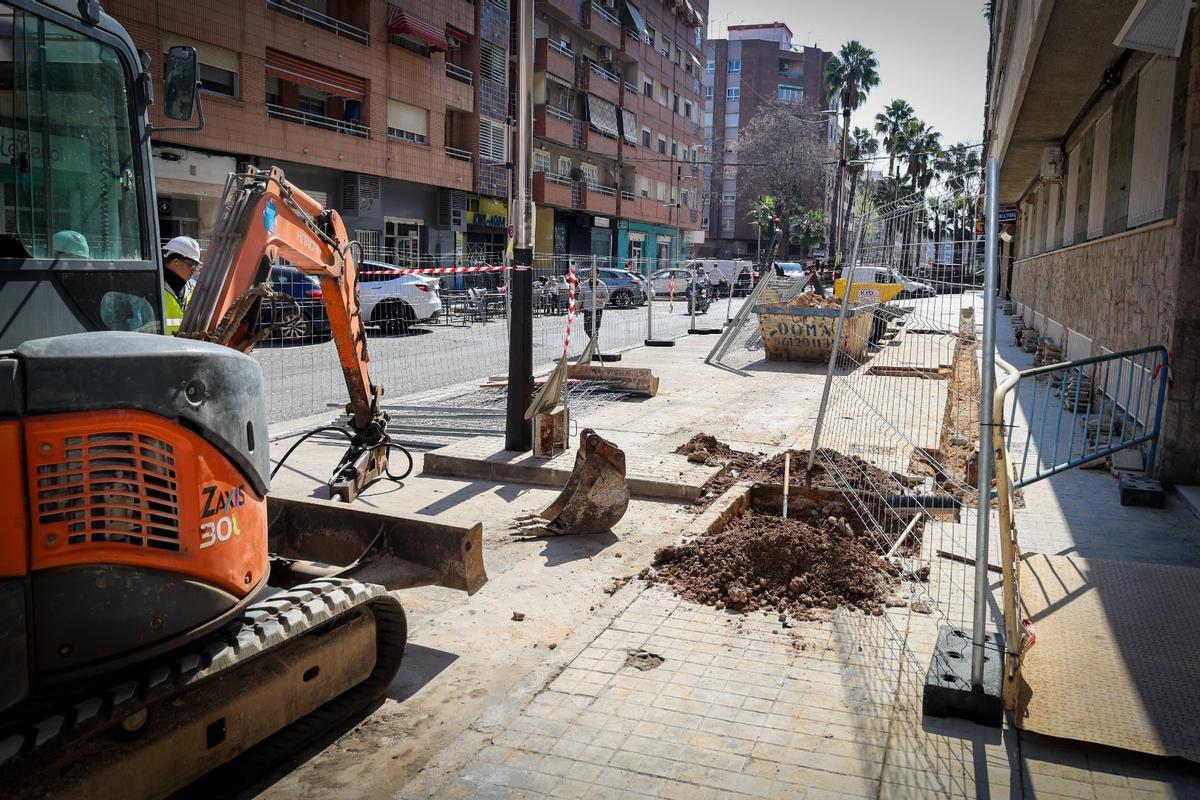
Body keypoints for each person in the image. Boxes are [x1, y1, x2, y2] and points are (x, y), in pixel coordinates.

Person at [162, 235, 202, 334]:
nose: (193, 269)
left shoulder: (194, 288)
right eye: (190, 264)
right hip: (160, 347)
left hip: (185, 347)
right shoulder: (154, 288)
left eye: (195, 265)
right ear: (176, 262)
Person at [578, 270, 609, 339]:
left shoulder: (602, 285)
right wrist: (578, 308)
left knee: (595, 329)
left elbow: (606, 299)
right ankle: (594, 341)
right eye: (590, 274)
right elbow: (580, 297)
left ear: (598, 275)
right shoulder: (584, 284)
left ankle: (593, 344)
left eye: (593, 274)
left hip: (598, 310)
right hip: (587, 310)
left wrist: (597, 299)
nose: (591, 275)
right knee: (587, 329)